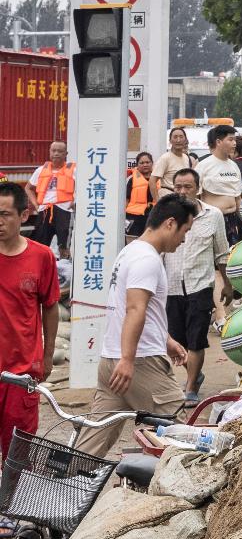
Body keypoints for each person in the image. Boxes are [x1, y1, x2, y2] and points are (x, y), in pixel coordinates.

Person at [77, 193, 196, 454]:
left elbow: (135, 308)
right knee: (181, 437)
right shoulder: (147, 259)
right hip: (139, 364)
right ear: (170, 223)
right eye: (185, 230)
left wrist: (167, 340)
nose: (184, 239)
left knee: (92, 442)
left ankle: (63, 488)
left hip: (111, 362)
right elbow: (134, 308)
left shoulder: (130, 252)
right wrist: (129, 359)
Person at [0, 181, 60, 458]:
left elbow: (50, 307)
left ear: (24, 215)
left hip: (21, 374)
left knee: (17, 456)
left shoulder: (41, 257)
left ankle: (11, 502)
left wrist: (47, 356)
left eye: (5, 214)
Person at [164, 163, 229, 401]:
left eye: (187, 187)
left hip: (200, 286)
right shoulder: (167, 217)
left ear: (198, 189)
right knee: (176, 341)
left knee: (196, 339)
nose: (182, 191)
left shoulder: (213, 216)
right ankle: (195, 374)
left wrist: (229, 285)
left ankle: (190, 387)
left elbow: (221, 253)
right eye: (178, 186)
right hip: (171, 287)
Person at [198, 124, 242, 244]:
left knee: (229, 258)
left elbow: (238, 199)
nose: (234, 143)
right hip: (210, 221)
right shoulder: (203, 166)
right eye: (230, 140)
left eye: (235, 140)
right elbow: (195, 198)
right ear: (219, 142)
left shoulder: (234, 166)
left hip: (232, 221)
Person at [26, 142, 74, 255]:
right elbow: (28, 188)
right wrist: (36, 205)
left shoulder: (73, 170)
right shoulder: (41, 170)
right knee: (40, 245)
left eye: (60, 151)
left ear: (66, 153)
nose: (56, 153)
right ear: (49, 152)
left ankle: (65, 268)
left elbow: (83, 187)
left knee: (64, 246)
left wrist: (75, 200)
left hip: (65, 211)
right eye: (53, 150)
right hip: (44, 210)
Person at [124, 150, 156, 237]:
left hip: (153, 216)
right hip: (134, 218)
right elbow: (126, 199)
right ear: (137, 165)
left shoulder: (158, 179)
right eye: (141, 163)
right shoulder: (132, 180)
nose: (145, 165)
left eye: (147, 162)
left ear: (152, 163)